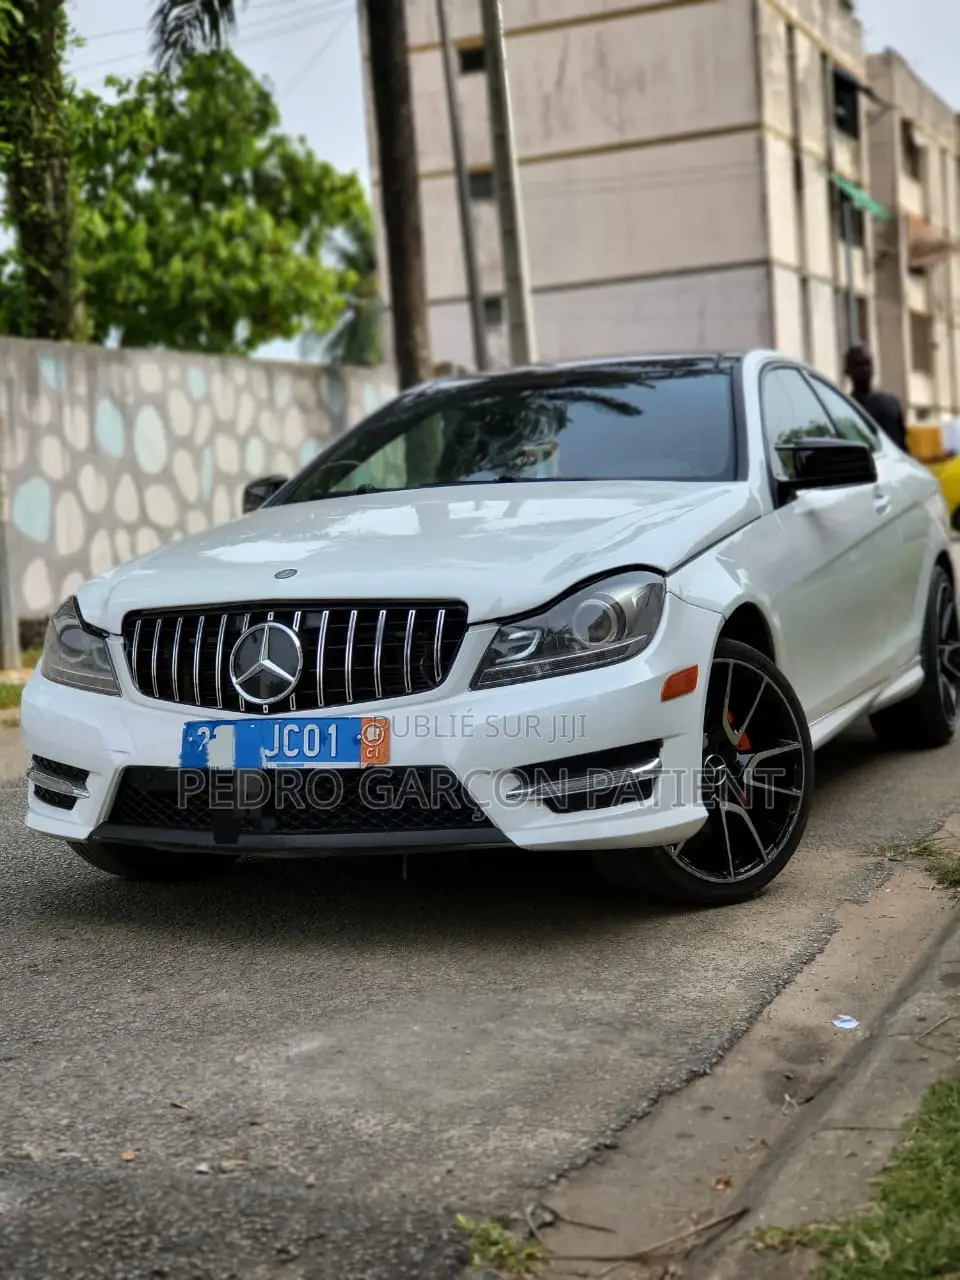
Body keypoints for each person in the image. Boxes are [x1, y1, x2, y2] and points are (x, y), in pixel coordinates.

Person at [843, 345, 908, 451]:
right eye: (859, 365)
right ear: (847, 370)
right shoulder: (844, 408)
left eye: (868, 364)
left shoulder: (891, 403)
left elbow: (902, 444)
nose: (865, 369)